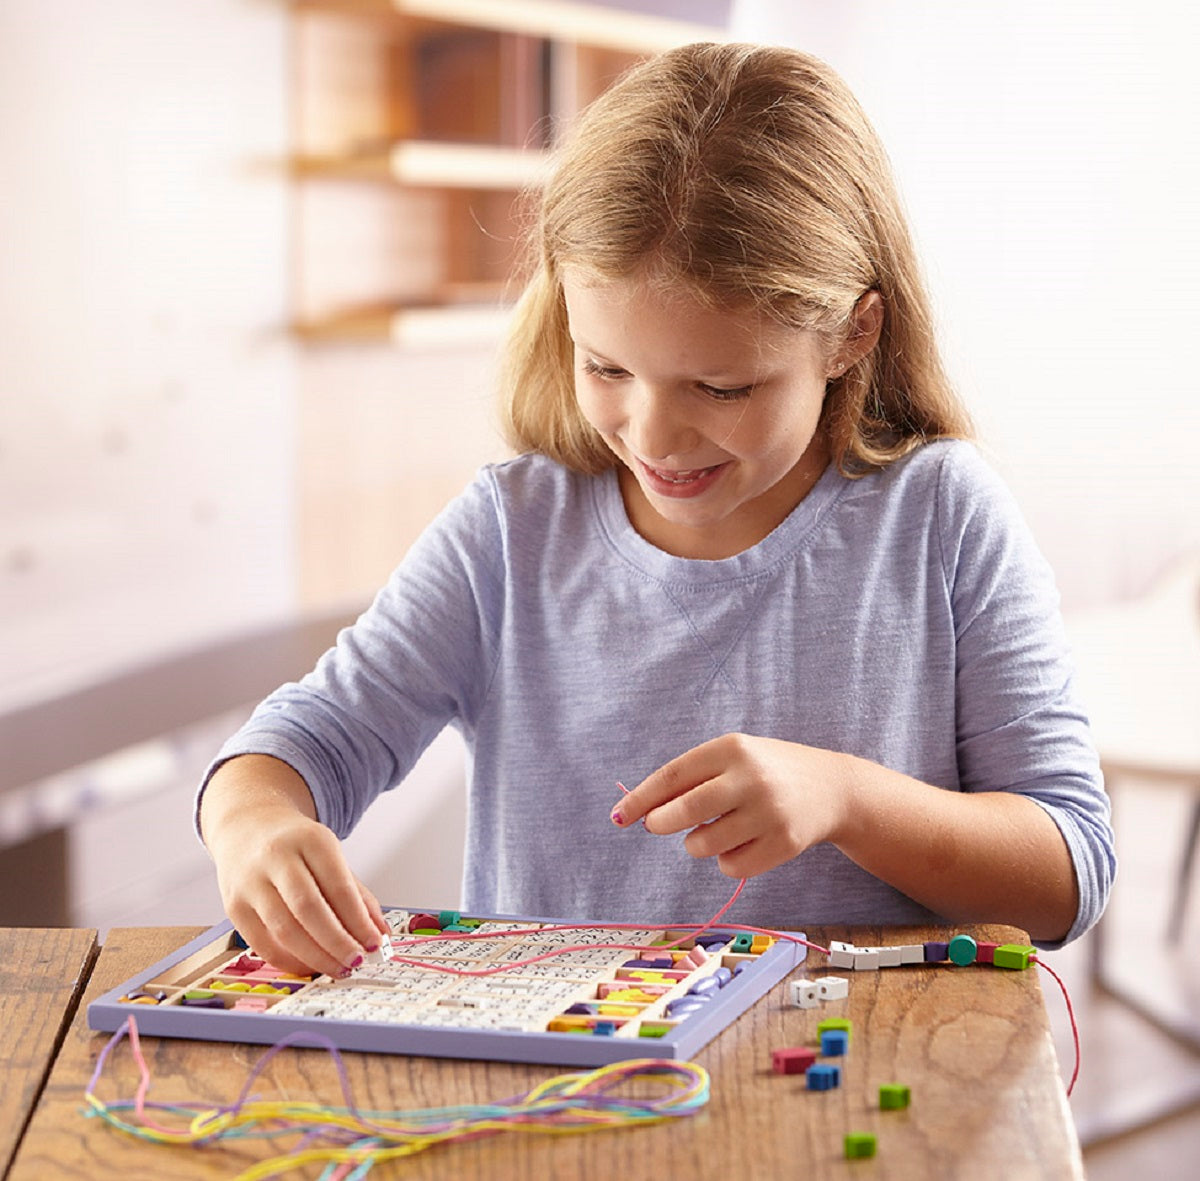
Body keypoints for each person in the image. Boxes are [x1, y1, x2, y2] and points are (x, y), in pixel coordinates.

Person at [197, 42, 1115, 979]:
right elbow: (305, 740)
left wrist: (847, 798)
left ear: (854, 333)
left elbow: (1069, 874)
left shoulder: (940, 518)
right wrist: (254, 825)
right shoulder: (511, 532)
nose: (654, 436)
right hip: (567, 1095)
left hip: (848, 1087)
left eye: (721, 387)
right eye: (606, 368)